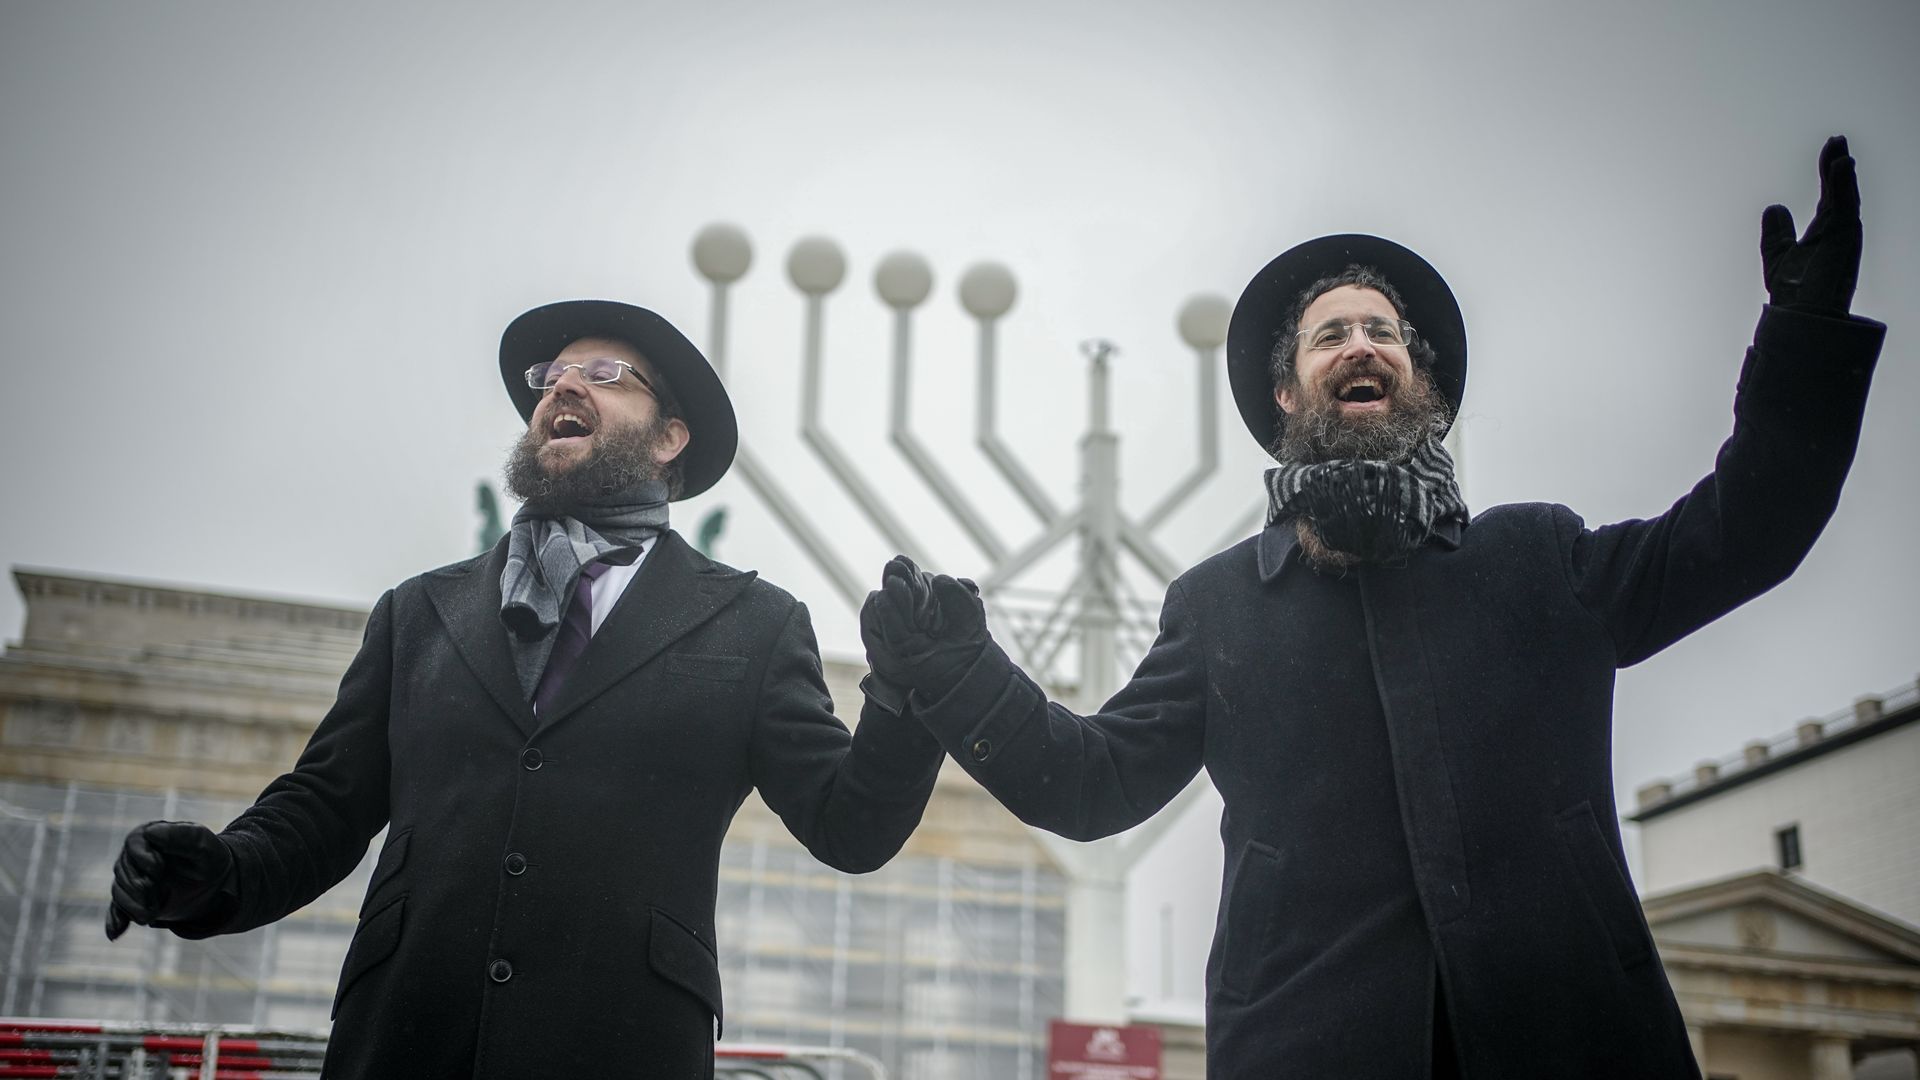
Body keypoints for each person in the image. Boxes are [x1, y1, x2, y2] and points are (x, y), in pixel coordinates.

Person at [858, 137, 1882, 1078]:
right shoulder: (1221, 609)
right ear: (1288, 395)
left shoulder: (1536, 561)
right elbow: (1094, 784)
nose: (1362, 346)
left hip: (1571, 1041)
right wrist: (956, 670)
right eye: (1331, 335)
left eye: (1383, 332)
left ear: (1420, 384)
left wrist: (1803, 337)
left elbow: (1745, 532)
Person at [105, 300, 946, 1078]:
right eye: (551, 377)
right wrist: (218, 871)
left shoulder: (752, 623)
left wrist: (906, 691)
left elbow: (850, 824)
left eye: (605, 374)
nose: (563, 386)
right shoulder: (420, 611)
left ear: (669, 438)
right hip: (407, 1038)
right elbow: (324, 806)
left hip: (620, 1046)